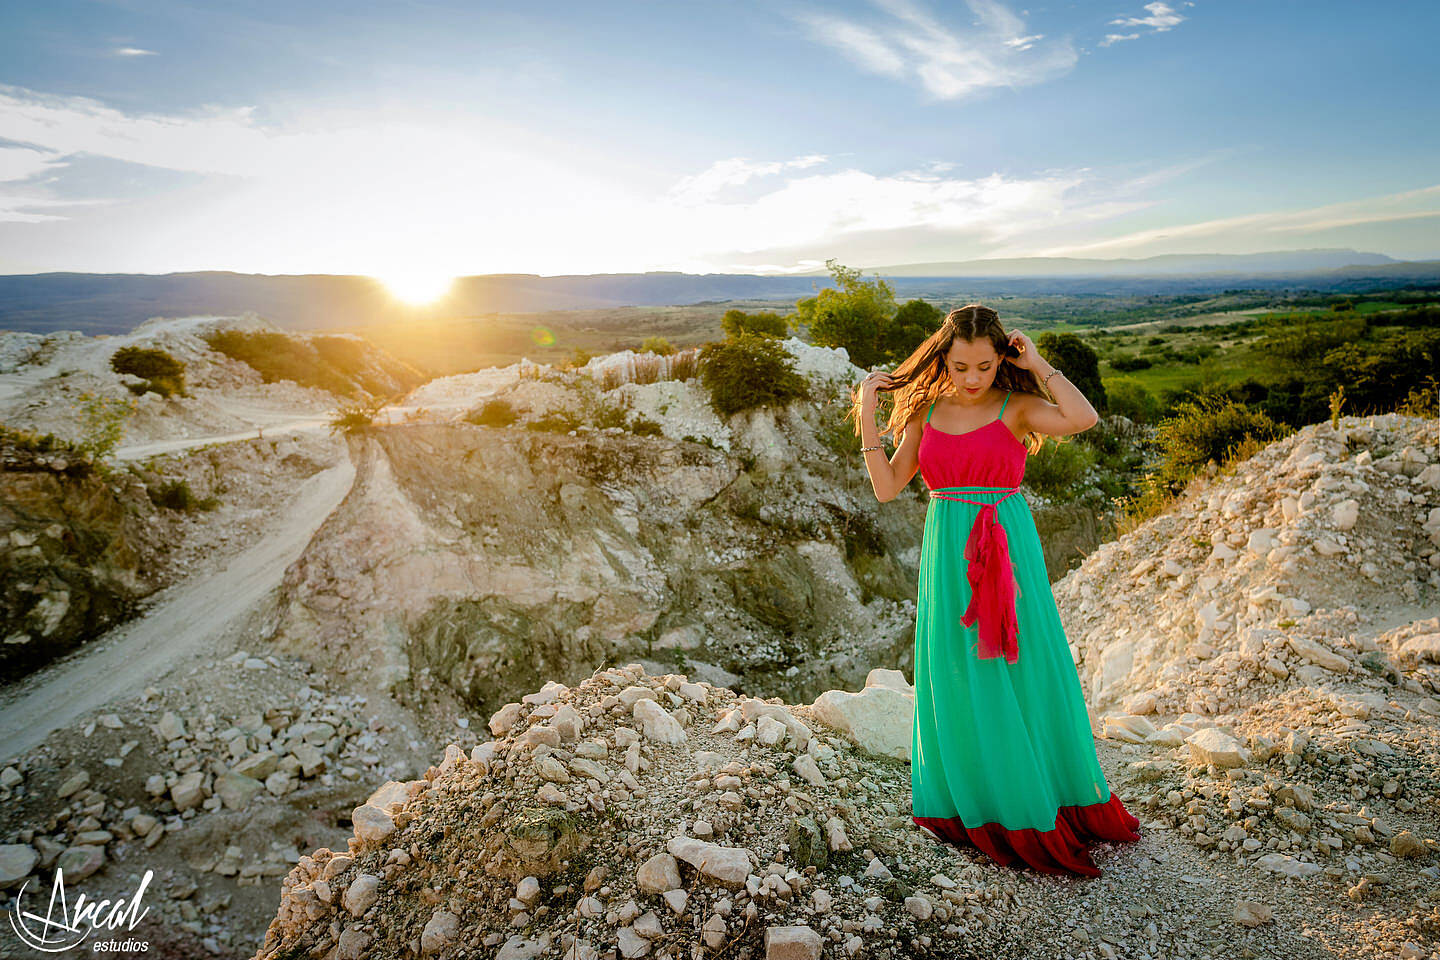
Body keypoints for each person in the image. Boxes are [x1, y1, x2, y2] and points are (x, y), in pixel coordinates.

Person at [848, 303, 1141, 877]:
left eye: (984, 365)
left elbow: (1083, 419)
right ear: (943, 359)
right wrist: (866, 413)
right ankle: (976, 803)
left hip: (1006, 547)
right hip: (947, 550)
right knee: (958, 670)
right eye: (960, 366)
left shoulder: (1018, 407)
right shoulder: (925, 412)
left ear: (1001, 357)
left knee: (1022, 666)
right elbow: (886, 488)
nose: (972, 378)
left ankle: (1037, 797)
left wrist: (1038, 364)